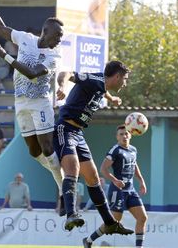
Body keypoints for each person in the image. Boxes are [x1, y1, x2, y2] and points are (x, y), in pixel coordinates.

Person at [0, 0, 65, 206]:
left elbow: (32, 74)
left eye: (61, 37)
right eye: (57, 36)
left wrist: (5, 56)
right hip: (21, 102)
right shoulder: (25, 39)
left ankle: (64, 188)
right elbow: (0, 28)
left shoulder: (54, 56)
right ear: (46, 32)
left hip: (41, 103)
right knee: (34, 151)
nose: (59, 40)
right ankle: (60, 175)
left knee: (47, 147)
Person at [53, 60, 133, 234]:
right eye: (124, 79)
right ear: (117, 76)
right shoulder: (94, 80)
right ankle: (71, 214)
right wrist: (61, 87)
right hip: (65, 129)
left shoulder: (101, 85)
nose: (125, 83)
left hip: (78, 133)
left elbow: (103, 92)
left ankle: (110, 223)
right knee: (72, 169)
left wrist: (112, 98)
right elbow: (66, 73)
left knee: (93, 179)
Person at [83, 125, 148, 248]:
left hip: (130, 190)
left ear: (131, 135)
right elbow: (103, 169)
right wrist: (115, 180)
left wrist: (141, 181)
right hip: (117, 191)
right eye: (121, 134)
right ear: (117, 137)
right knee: (114, 222)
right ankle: (89, 240)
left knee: (143, 217)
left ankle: (139, 247)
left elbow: (134, 165)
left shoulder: (133, 150)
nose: (124, 136)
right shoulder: (115, 150)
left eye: (126, 133)